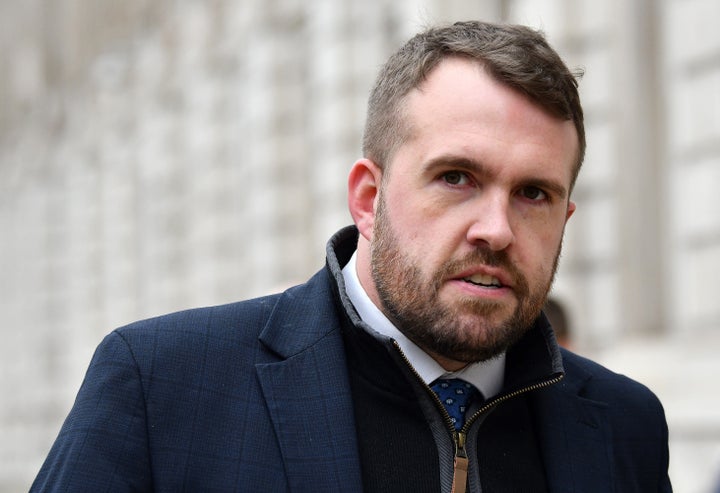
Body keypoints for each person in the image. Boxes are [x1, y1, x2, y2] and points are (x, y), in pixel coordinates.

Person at [31, 21, 672, 492]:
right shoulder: (166, 388)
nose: (496, 229)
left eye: (534, 193)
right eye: (456, 177)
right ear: (368, 199)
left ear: (565, 220)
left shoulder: (625, 426)